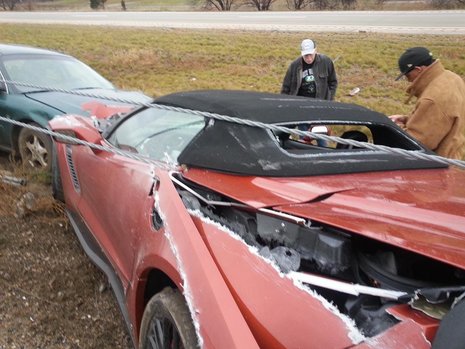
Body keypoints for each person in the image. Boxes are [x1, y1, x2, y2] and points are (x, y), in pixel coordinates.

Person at [389, 47, 465, 160]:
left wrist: (395, 129)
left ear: (418, 69)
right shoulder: (451, 77)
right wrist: (407, 119)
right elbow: (443, 119)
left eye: (408, 75)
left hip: (440, 166)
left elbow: (418, 142)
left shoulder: (432, 99)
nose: (409, 80)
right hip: (456, 152)